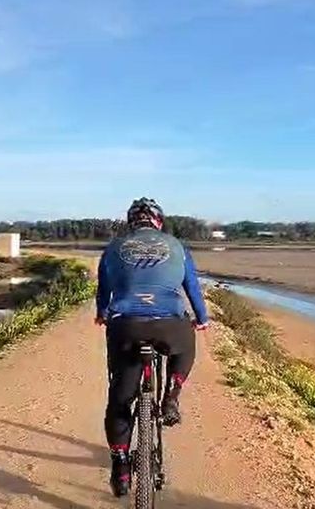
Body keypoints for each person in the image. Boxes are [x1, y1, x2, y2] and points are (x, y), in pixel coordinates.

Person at [96, 197, 209, 497]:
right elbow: (192, 288)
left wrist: (101, 314)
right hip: (168, 324)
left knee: (120, 399)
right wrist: (203, 318)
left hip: (126, 325)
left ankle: (120, 466)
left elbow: (103, 291)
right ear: (159, 222)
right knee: (185, 345)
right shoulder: (177, 247)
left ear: (131, 222)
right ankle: (172, 395)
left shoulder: (112, 249)